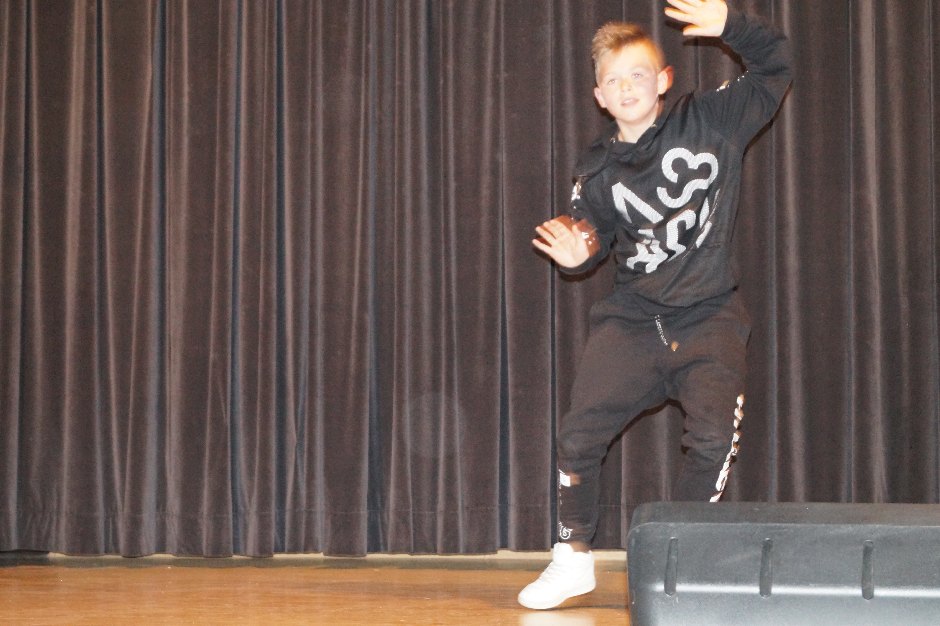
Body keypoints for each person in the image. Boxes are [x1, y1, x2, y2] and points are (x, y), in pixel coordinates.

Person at [518, 0, 793, 611]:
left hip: (710, 314)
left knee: (713, 436)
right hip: (635, 320)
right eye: (613, 80)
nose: (626, 87)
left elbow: (776, 66)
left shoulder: (712, 119)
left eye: (638, 73)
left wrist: (732, 26)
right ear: (599, 96)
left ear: (664, 80)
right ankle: (572, 558)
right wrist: (577, 254)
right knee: (578, 433)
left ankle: (680, 558)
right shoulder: (596, 169)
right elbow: (590, 237)